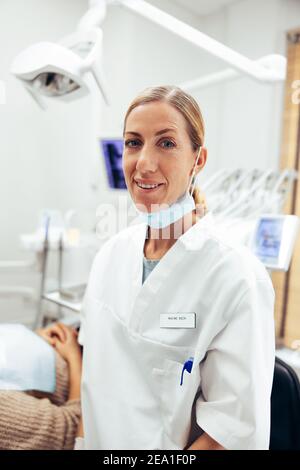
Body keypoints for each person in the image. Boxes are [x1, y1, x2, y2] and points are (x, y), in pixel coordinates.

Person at [77, 85, 275, 450]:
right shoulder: (109, 257)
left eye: (166, 144)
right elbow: (95, 382)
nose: (144, 163)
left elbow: (232, 433)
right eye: (133, 143)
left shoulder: (235, 276)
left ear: (198, 160)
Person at [0, 323, 82, 450]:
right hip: (85, 371)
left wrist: (33, 337)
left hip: (63, 343)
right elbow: (72, 429)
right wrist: (74, 355)